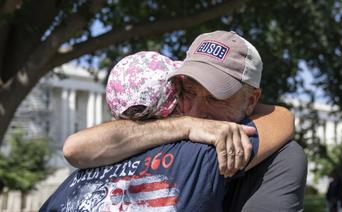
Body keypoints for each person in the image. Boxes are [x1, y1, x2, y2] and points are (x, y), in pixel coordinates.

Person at [64, 31, 307, 211]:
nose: (197, 111)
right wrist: (187, 126)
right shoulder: (186, 145)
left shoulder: (85, 172)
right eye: (188, 93)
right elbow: (74, 147)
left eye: (215, 97)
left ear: (252, 99)